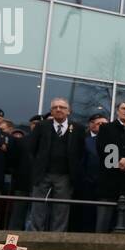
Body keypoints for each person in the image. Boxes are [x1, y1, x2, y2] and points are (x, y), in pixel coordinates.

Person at [28, 98, 84, 233]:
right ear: (51, 111)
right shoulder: (42, 126)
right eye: (55, 107)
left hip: (65, 175)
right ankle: (35, 237)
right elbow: (32, 149)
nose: (58, 109)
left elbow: (81, 152)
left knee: (61, 209)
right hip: (43, 174)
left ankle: (57, 238)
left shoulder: (78, 129)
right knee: (38, 207)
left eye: (62, 107)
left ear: (68, 111)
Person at [95, 101, 125, 233]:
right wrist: (117, 162)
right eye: (123, 108)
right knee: (103, 219)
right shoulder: (106, 128)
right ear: (118, 111)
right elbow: (102, 148)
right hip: (109, 179)